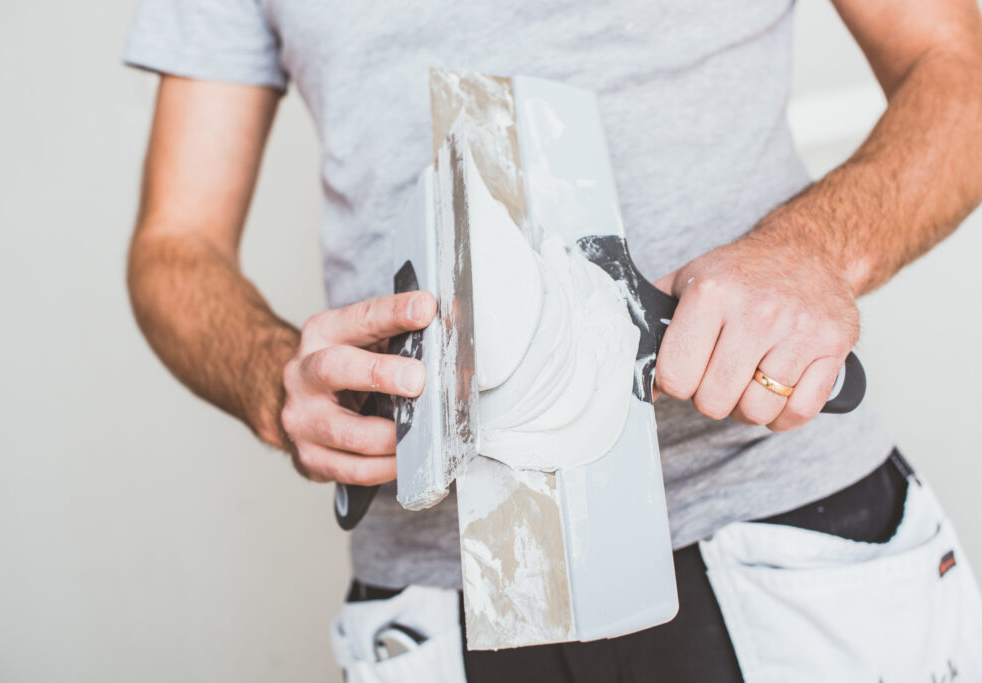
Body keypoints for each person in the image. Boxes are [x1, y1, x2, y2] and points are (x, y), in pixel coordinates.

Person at [123, 1, 982, 680]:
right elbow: (175, 245)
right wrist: (272, 377)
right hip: (437, 592)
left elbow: (960, 68)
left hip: (772, 533)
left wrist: (812, 251)